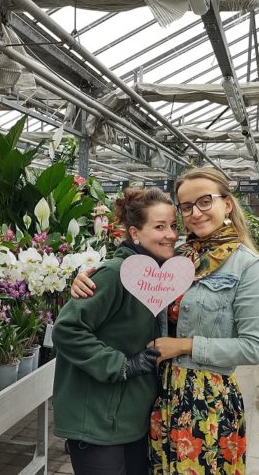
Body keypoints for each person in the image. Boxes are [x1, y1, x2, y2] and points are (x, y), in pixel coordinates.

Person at [71, 168, 259, 475]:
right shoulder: (177, 258)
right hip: (162, 396)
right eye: (187, 206)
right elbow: (129, 265)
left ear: (228, 205)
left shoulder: (248, 266)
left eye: (205, 201)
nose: (196, 213)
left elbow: (253, 347)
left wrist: (184, 346)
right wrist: (85, 276)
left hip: (208, 402)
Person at [52, 187, 179, 475]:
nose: (171, 234)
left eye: (173, 226)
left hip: (131, 417)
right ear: (135, 233)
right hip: (97, 420)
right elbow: (67, 330)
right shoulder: (114, 274)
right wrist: (122, 365)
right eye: (159, 227)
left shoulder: (160, 277)